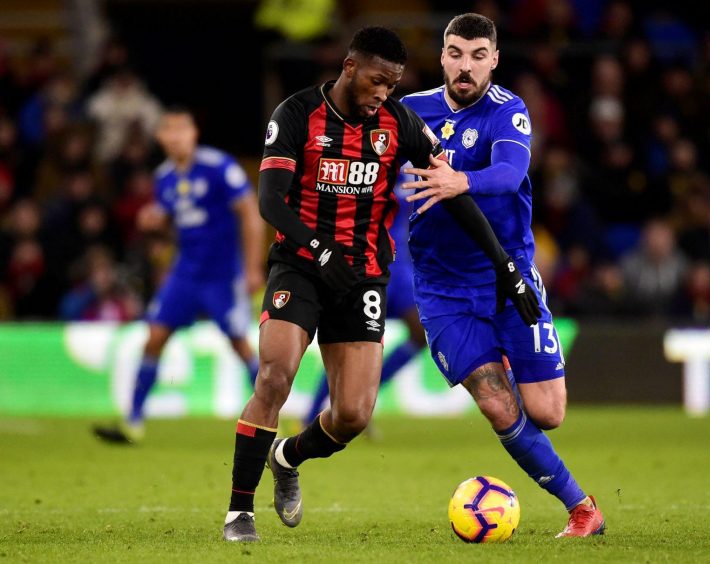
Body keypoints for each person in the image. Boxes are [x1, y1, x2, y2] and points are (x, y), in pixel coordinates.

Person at [222, 26, 541, 542]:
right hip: (301, 265)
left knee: (352, 414)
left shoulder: (399, 122)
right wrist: (320, 248)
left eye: (392, 85)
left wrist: (505, 265)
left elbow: (454, 194)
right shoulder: (297, 114)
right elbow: (270, 201)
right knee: (275, 376)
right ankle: (240, 511)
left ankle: (287, 458)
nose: (383, 94)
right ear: (350, 67)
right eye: (376, 81)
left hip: (364, 274)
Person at [399, 13, 605, 538]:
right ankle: (583, 509)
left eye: (476, 56)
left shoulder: (507, 110)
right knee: (496, 403)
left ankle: (509, 364)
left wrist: (460, 181)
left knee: (547, 412)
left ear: (493, 60)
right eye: (455, 54)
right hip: (443, 289)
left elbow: (511, 174)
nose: (465, 66)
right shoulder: (410, 111)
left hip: (507, 277)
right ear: (442, 56)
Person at [93, 107, 265, 444]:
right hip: (185, 272)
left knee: (240, 345)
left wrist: (252, 268)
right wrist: (155, 223)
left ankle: (273, 420)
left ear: (193, 133)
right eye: (169, 130)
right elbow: (173, 228)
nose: (176, 137)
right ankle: (132, 422)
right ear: (160, 137)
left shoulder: (219, 167)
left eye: (181, 129)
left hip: (221, 274)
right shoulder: (164, 178)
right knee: (154, 337)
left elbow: (250, 214)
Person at [302, 179, 425, 428]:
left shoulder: (411, 169)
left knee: (420, 333)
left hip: (400, 266)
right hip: (366, 262)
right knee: (348, 344)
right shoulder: (370, 167)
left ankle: (362, 396)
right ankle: (312, 415)